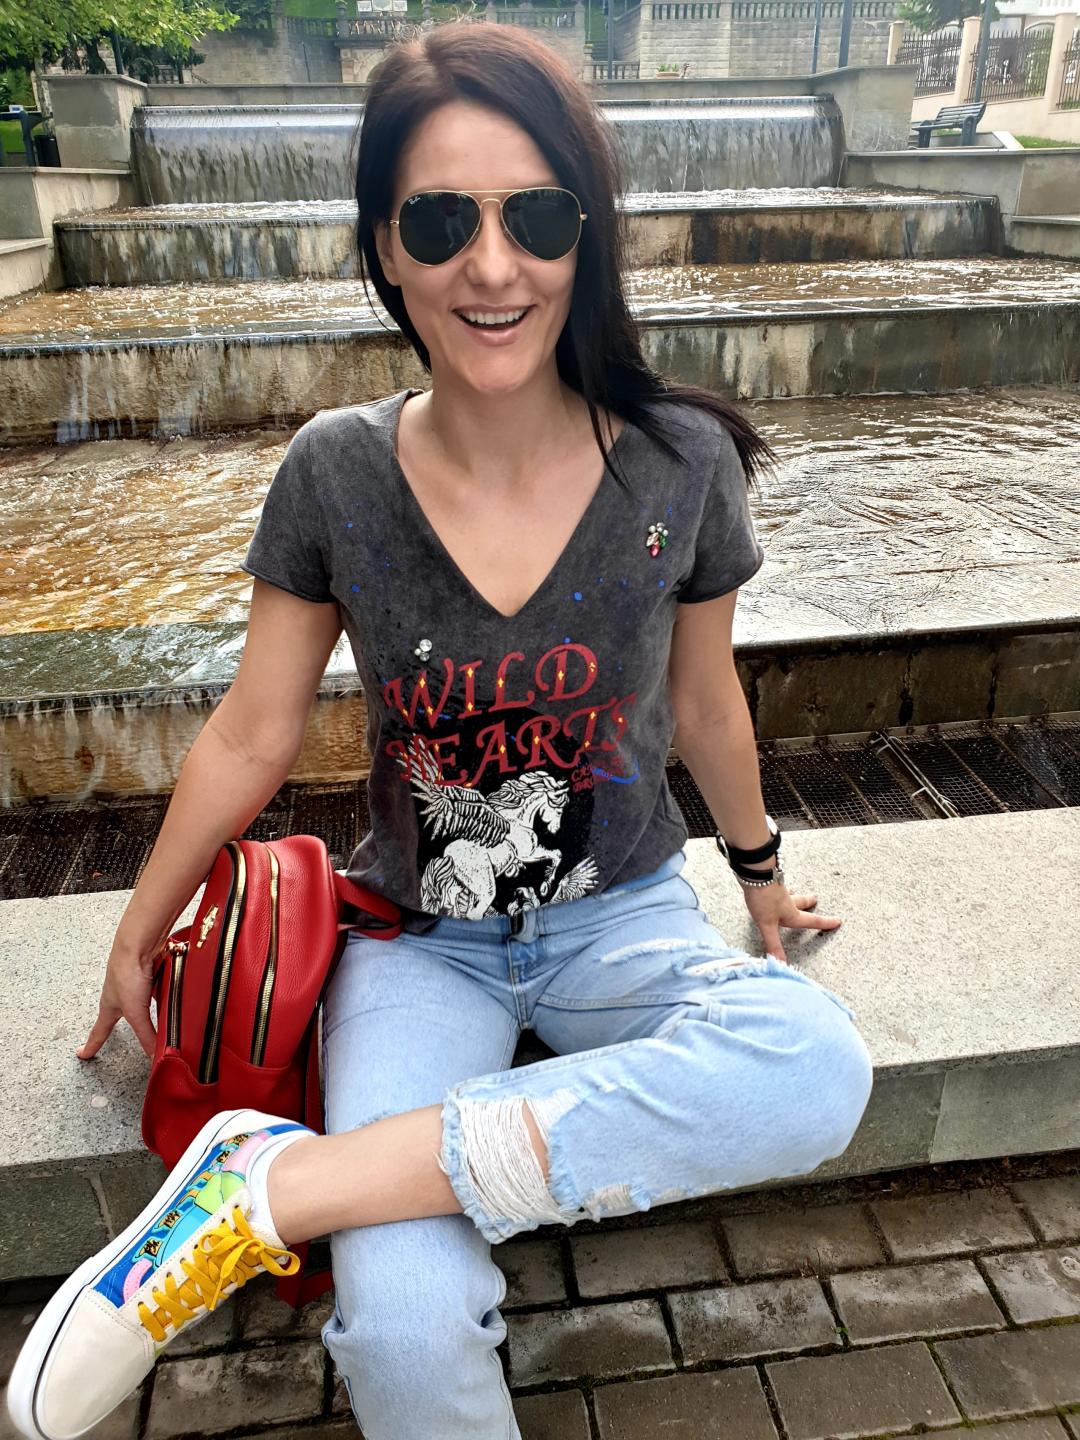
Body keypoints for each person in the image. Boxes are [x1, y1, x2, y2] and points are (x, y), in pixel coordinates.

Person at [6, 20, 874, 1440]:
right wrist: (137, 924)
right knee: (404, 1328)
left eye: (537, 218)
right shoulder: (335, 474)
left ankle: (274, 1189)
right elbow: (252, 732)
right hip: (421, 944)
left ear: (586, 239)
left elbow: (706, 700)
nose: (492, 266)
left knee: (816, 1062)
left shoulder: (680, 462)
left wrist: (762, 875)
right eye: (439, 222)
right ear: (385, 249)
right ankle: (313, 1189)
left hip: (624, 920)